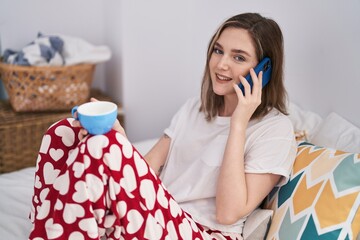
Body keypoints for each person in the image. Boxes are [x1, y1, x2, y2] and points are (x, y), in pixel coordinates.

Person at [29, 12, 297, 240]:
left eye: (239, 57)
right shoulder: (194, 109)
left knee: (102, 146)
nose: (222, 64)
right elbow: (145, 169)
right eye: (218, 50)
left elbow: (227, 212)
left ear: (263, 71)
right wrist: (119, 142)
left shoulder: (275, 130)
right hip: (157, 215)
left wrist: (238, 122)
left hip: (204, 233)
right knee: (65, 132)